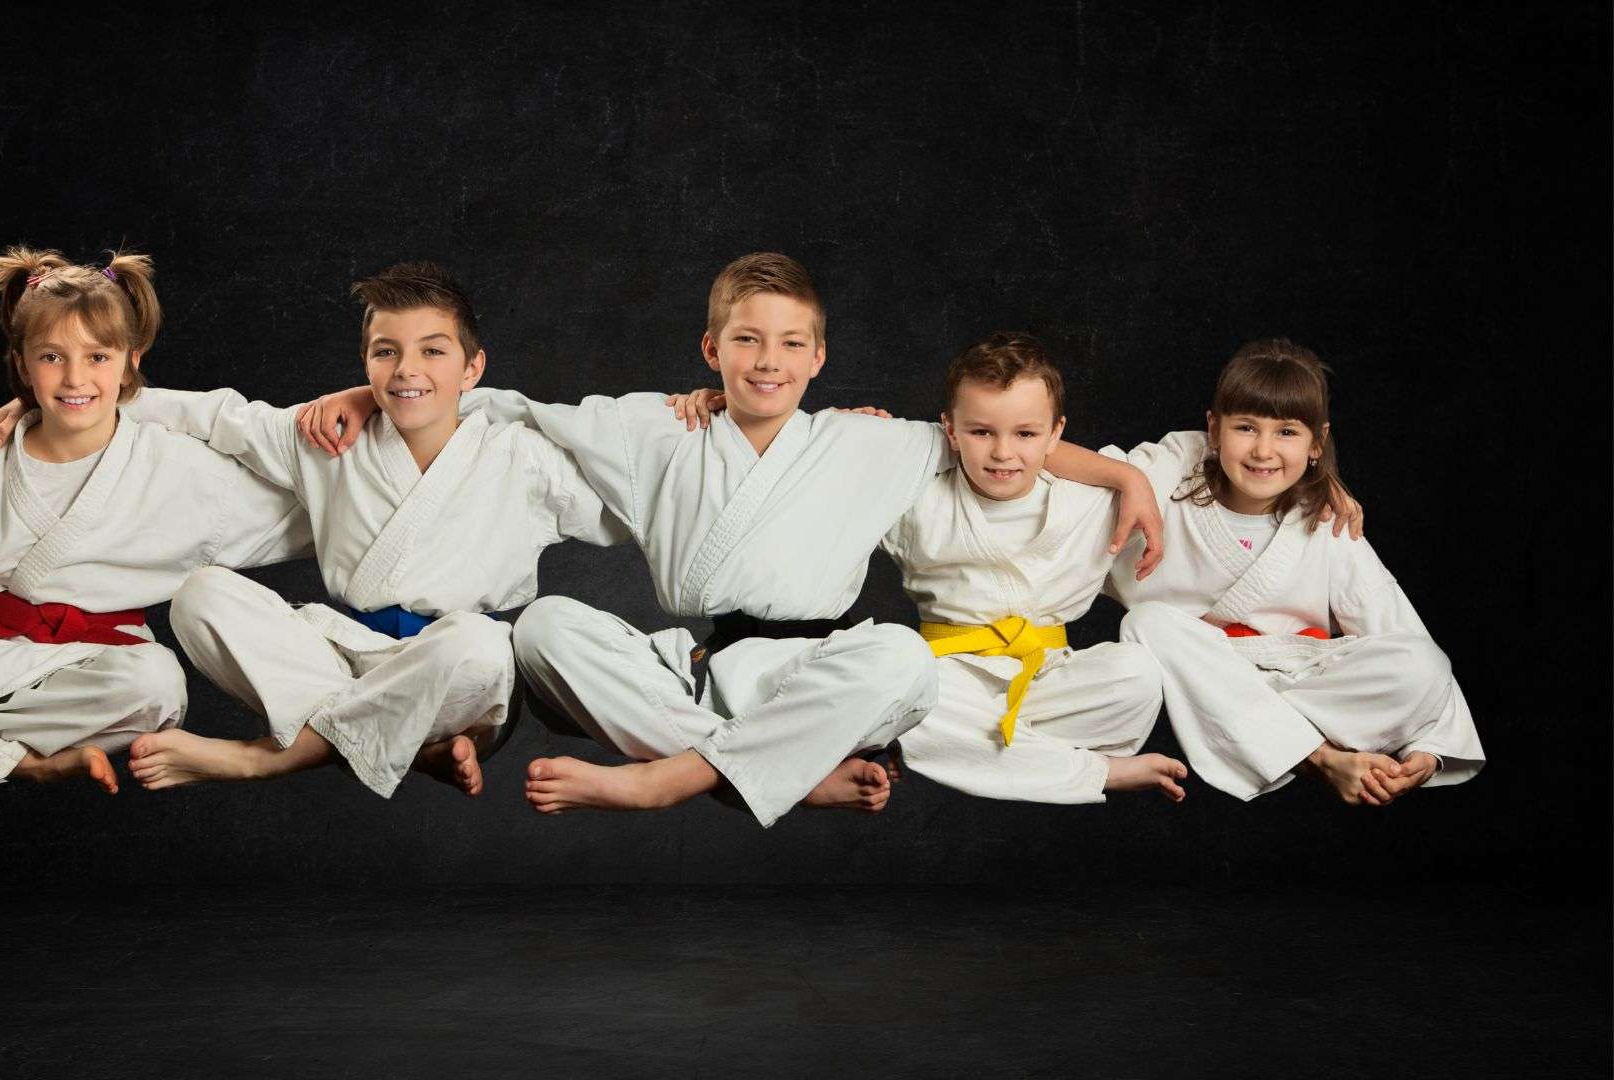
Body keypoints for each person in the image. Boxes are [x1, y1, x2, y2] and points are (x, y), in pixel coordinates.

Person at [298, 254, 1163, 825]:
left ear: (820, 357)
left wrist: (1126, 477)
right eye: (746, 339)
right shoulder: (651, 429)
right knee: (543, 627)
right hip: (696, 670)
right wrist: (365, 395)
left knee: (901, 655)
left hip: (810, 671)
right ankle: (785, 773)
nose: (767, 360)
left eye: (791, 342)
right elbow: (490, 400)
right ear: (712, 348)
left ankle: (674, 776)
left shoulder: (871, 441)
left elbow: (996, 431)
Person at [0, 263, 629, 798]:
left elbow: (637, 497)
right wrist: (50, 405)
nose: (407, 371)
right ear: (365, 362)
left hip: (458, 681)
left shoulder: (525, 458)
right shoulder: (324, 434)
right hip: (339, 661)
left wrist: (705, 413)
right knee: (202, 594)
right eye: (386, 352)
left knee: (481, 645)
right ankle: (408, 748)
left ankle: (265, 760)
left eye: (433, 351)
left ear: (472, 370)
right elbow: (213, 416)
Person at [0, 247, 310, 794]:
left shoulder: (179, 468)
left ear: (133, 357)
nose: (74, 377)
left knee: (156, 683)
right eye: (52, 357)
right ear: (22, 363)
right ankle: (22, 762)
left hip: (98, 676)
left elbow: (317, 507)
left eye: (98, 357)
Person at [1112, 339, 1484, 804]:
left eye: (1287, 432)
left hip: (1295, 679)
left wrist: (1428, 749)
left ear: (1317, 443)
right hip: (1204, 664)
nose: (1264, 450)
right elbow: (1054, 466)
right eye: (1245, 427)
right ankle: (1322, 757)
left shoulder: (1328, 521)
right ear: (1213, 429)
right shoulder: (1172, 474)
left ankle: (1258, 728)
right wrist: (1129, 479)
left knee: (1423, 663)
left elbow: (1397, 626)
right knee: (1148, 623)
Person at [879, 333, 1187, 804]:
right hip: (951, 678)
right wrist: (857, 430)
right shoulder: (916, 498)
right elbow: (840, 464)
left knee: (1138, 673)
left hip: (1051, 681)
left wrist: (1320, 477)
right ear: (950, 429)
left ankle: (980, 754)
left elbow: (1198, 454)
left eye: (1025, 434)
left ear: (1056, 432)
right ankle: (1096, 772)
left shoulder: (1089, 498)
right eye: (981, 432)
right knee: (897, 684)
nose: (1003, 453)